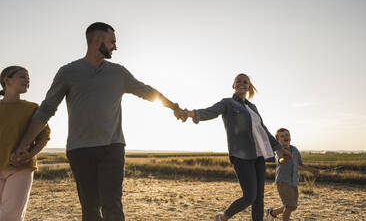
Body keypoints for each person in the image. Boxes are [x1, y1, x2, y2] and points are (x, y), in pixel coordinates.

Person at [12, 22, 186, 221]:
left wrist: (173, 106)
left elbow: (146, 91)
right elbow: (46, 110)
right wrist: (24, 145)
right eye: (112, 41)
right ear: (97, 40)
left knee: (112, 206)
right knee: (90, 209)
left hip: (112, 147)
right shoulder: (68, 72)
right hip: (80, 150)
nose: (115, 47)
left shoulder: (118, 72)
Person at [181, 73, 292, 221]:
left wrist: (280, 148)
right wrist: (191, 113)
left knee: (258, 199)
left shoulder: (253, 107)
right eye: (238, 81)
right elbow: (212, 111)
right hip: (241, 156)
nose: (242, 83)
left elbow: (263, 130)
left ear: (249, 86)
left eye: (245, 82)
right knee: (249, 196)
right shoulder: (228, 103)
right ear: (233, 85)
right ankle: (224, 216)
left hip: (259, 156)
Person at [0, 66, 50, 221]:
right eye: (22, 76)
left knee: (10, 216)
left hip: (21, 168)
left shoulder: (32, 108)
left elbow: (44, 137)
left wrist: (30, 154)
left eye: (28, 78)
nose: (27, 80)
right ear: (7, 80)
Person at [266, 128, 320, 221]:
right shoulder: (279, 150)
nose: (285, 137)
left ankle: (272, 213)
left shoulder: (295, 150)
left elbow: (300, 164)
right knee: (289, 206)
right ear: (278, 140)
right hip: (282, 181)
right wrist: (286, 158)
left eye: (287, 135)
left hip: (294, 181)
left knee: (293, 207)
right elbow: (280, 160)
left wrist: (311, 170)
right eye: (282, 136)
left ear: (290, 137)